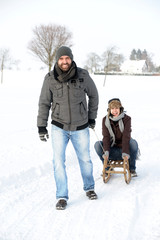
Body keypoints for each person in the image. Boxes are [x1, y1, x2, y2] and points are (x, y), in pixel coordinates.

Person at [37, 46, 99, 210]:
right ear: (57, 60)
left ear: (71, 59)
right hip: (59, 127)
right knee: (58, 162)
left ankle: (90, 188)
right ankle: (62, 196)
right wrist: (41, 126)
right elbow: (44, 103)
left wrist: (91, 117)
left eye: (67, 58)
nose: (64, 62)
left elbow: (94, 96)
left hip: (81, 127)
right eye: (61, 59)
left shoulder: (83, 75)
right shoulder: (50, 78)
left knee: (85, 159)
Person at [94, 98, 138, 177]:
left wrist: (125, 152)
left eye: (117, 108)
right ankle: (107, 168)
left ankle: (132, 169)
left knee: (133, 143)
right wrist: (106, 151)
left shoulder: (127, 119)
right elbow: (106, 137)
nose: (115, 111)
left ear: (120, 109)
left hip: (124, 150)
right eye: (112, 108)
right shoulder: (105, 120)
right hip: (112, 150)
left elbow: (126, 136)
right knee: (97, 145)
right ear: (109, 110)